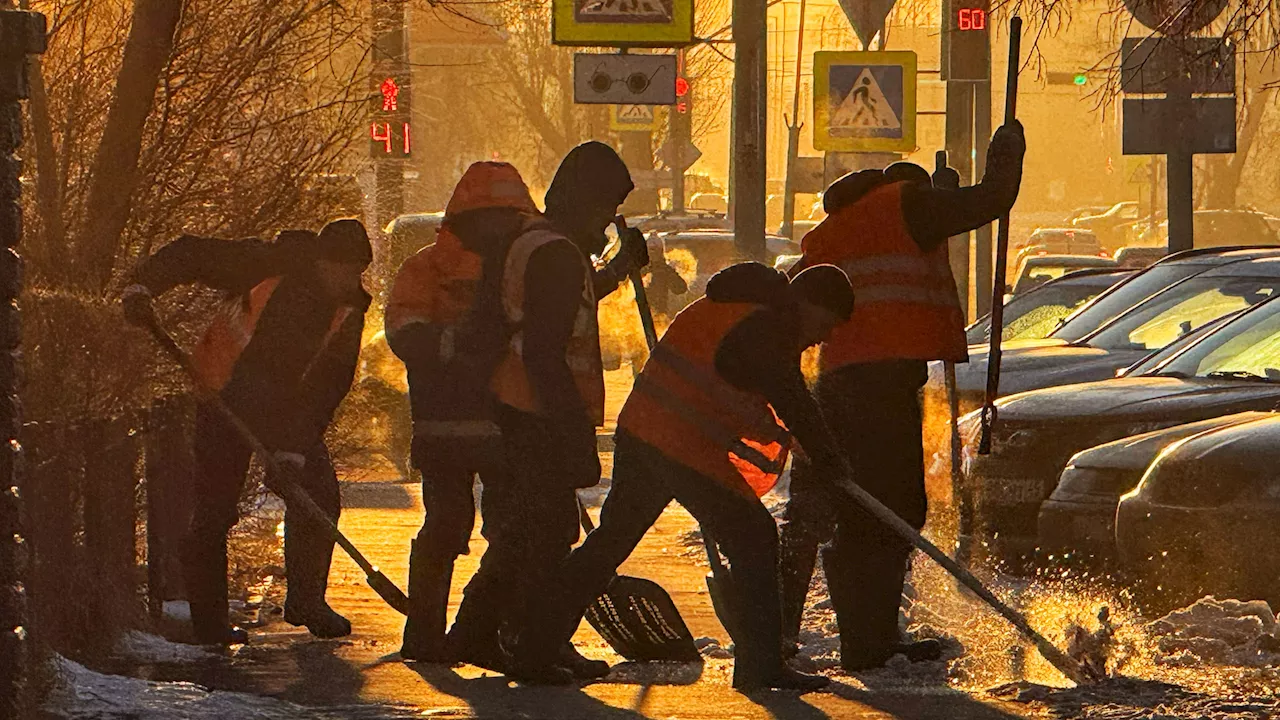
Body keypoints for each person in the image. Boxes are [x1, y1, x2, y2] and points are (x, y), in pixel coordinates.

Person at [514, 263, 856, 692]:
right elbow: (790, 395)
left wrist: (820, 453)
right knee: (754, 536)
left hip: (645, 432)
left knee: (611, 541)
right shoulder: (766, 325)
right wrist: (829, 458)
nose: (822, 338)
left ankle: (535, 646)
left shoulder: (738, 310)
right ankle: (761, 664)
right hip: (680, 445)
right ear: (807, 304)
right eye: (824, 324)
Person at [777, 121, 1026, 671]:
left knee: (837, 511)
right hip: (877, 388)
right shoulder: (905, 206)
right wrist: (1006, 152)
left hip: (837, 385)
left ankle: (806, 634)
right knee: (894, 510)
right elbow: (992, 199)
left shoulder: (836, 229)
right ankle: (869, 642)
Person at [445, 142, 648, 682]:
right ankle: (531, 652)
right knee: (548, 533)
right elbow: (544, 349)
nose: (609, 223)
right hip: (534, 409)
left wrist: (619, 267)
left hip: (516, 404)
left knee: (523, 529)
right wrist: (572, 432)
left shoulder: (541, 244)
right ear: (586, 200)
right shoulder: (554, 252)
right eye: (607, 209)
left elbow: (568, 302)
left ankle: (476, 632)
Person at [122, 220, 374, 645]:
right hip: (222, 399)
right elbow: (191, 252)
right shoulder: (267, 264)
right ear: (321, 261)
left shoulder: (348, 310)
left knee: (317, 494)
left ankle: (307, 599)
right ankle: (210, 625)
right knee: (215, 512)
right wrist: (142, 286)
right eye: (342, 269)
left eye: (356, 271)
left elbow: (327, 388)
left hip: (284, 414)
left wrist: (294, 449)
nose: (348, 280)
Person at [385, 162, 545, 662]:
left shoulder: (522, 268)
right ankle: (425, 634)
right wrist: (463, 344)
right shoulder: (425, 268)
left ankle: (488, 631)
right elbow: (405, 334)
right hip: (447, 421)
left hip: (507, 420)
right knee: (448, 525)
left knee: (512, 529)